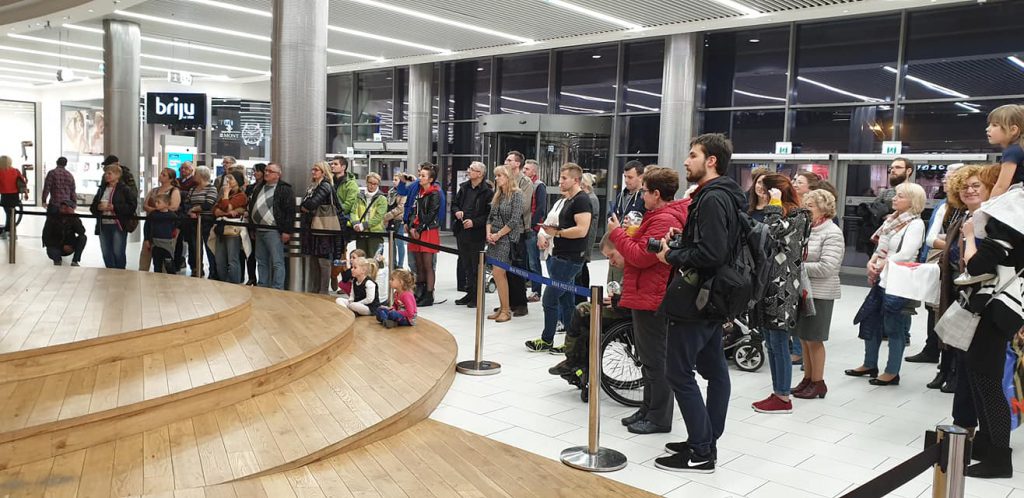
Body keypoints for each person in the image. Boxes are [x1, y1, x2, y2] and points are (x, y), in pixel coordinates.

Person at [654, 133, 746, 473]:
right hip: (716, 295)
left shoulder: (712, 198)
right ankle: (704, 439)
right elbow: (716, 244)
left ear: (711, 161)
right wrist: (684, 240)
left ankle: (702, 450)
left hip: (699, 297)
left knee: (679, 372)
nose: (686, 161)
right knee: (715, 371)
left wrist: (672, 254)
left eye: (693, 155)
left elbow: (712, 253)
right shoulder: (727, 195)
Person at [607, 166, 688, 434]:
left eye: (644, 191)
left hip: (653, 296)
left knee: (656, 361)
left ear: (656, 194)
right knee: (648, 360)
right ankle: (648, 408)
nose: (641, 196)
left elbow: (641, 257)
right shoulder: (656, 216)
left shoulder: (664, 219)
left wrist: (618, 234)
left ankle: (659, 418)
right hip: (645, 293)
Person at [954, 167, 1020, 479]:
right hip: (1000, 310)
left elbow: (978, 265)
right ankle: (987, 446)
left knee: (989, 383)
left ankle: (999, 458)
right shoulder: (1011, 217)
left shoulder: (1006, 219)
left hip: (995, 310)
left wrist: (970, 236)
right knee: (981, 378)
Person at [935, 165, 997, 452]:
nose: (969, 191)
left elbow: (980, 266)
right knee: (964, 368)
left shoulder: (994, 222)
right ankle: (963, 427)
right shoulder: (963, 218)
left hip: (987, 306)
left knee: (981, 372)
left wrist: (970, 238)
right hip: (963, 301)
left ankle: (987, 435)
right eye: (964, 187)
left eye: (976, 186)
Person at [846, 182, 927, 386]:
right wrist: (872, 262)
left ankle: (892, 371)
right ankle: (869, 364)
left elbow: (906, 253)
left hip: (899, 280)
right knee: (871, 320)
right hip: (883, 277)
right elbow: (881, 246)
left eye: (900, 196)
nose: (894, 198)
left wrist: (882, 264)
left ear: (913, 201)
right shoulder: (891, 221)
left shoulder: (915, 224)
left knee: (893, 326)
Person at [749, 175, 810, 414]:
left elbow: (773, 232)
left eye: (767, 192)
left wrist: (774, 204)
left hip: (783, 287)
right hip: (768, 284)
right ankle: (778, 392)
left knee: (779, 342)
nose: (763, 196)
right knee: (771, 342)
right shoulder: (785, 214)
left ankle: (783, 396)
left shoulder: (798, 216)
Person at [526, 163, 592, 352]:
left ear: (576, 180)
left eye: (564, 178)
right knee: (566, 301)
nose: (560, 181)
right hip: (559, 255)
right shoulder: (567, 200)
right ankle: (572, 342)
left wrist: (557, 233)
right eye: (560, 177)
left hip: (570, 258)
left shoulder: (581, 200)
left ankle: (547, 339)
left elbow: (582, 230)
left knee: (549, 299)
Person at [548, 233, 628, 382]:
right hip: (623, 306)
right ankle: (578, 362)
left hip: (629, 312)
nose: (611, 262)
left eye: (611, 256)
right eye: (608, 258)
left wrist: (618, 300)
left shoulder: (636, 263)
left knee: (583, 310)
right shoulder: (629, 265)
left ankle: (573, 361)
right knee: (584, 320)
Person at [907, 164, 965, 367]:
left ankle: (946, 357)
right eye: (946, 177)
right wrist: (950, 243)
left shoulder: (962, 208)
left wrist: (948, 243)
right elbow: (932, 239)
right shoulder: (945, 205)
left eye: (951, 177)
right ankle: (932, 350)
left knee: (945, 308)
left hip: (951, 263)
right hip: (937, 260)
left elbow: (938, 239)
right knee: (933, 307)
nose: (945, 181)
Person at [792, 189, 844, 400]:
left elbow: (827, 267)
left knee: (814, 339)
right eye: (805, 205)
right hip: (804, 290)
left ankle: (818, 382)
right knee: (804, 338)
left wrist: (797, 266)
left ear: (824, 209)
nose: (806, 209)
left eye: (810, 206)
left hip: (820, 293)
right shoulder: (808, 229)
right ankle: (807, 379)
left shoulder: (832, 232)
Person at [485, 165, 524, 323]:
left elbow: (514, 220)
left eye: (500, 175)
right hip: (494, 239)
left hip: (507, 239)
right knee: (497, 274)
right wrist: (489, 233)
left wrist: (498, 234)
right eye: (496, 175)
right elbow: (490, 218)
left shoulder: (517, 194)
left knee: (499, 273)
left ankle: (506, 310)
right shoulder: (498, 195)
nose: (496, 178)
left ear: (508, 177)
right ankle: (502, 308)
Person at [300, 161, 345, 294]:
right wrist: (305, 205)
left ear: (323, 172)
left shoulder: (325, 185)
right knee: (315, 260)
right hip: (316, 227)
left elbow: (310, 204)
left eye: (316, 170)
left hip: (324, 228)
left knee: (323, 260)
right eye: (313, 169)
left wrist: (305, 206)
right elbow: (306, 204)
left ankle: (323, 291)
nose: (313, 172)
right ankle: (316, 290)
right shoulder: (313, 186)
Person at [247, 162, 294, 290]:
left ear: (278, 175)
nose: (266, 173)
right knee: (261, 260)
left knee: (277, 261)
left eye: (270, 171)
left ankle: (277, 288)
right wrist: (252, 228)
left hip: (274, 230)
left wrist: (286, 231)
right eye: (266, 170)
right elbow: (252, 206)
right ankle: (263, 285)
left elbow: (289, 211)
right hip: (258, 229)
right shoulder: (259, 187)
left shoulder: (284, 189)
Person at [452, 162, 493, 306]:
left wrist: (474, 222)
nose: (468, 171)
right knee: (466, 265)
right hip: (462, 231)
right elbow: (454, 204)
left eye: (472, 169)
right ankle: (469, 293)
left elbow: (489, 215)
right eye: (469, 168)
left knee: (476, 266)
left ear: (480, 173)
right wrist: (457, 211)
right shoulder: (464, 187)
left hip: (477, 234)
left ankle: (477, 296)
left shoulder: (488, 192)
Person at [856, 158, 912, 254]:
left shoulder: (915, 192)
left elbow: (915, 213)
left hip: (905, 239)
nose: (893, 170)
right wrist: (883, 216)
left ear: (908, 171)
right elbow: (874, 211)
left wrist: (895, 216)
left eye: (898, 167)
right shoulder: (886, 193)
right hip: (883, 237)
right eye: (891, 168)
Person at [89, 163, 138, 269]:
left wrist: (114, 207)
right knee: (106, 252)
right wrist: (98, 208)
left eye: (109, 173)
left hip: (118, 225)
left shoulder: (125, 189)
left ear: (117, 175)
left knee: (118, 251)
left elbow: (132, 206)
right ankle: (109, 271)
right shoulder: (101, 189)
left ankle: (120, 273)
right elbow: (93, 207)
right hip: (103, 225)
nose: (106, 175)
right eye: (105, 173)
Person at [504, 151, 535, 317]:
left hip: (519, 229)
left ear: (517, 164)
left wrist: (505, 209)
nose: (506, 162)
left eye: (509, 160)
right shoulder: (504, 178)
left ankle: (521, 304)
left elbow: (523, 205)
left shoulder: (525, 182)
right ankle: (508, 302)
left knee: (518, 268)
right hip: (503, 229)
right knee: (506, 268)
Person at [409, 163, 442, 307]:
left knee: (428, 265)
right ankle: (420, 292)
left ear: (430, 179)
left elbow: (431, 214)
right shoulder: (419, 192)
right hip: (416, 230)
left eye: (423, 176)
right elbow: (413, 211)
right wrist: (412, 227)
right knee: (419, 264)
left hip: (428, 231)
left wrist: (419, 229)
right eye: (420, 175)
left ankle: (429, 295)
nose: (420, 178)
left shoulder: (434, 193)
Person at [140, 168, 182, 272]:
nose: (160, 176)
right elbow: (145, 205)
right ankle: (142, 273)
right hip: (152, 227)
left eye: (164, 175)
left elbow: (173, 207)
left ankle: (164, 275)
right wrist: (155, 210)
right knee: (146, 254)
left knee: (165, 258)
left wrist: (156, 210)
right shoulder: (154, 190)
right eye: (161, 174)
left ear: (170, 178)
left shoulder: (174, 191)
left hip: (166, 232)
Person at [212, 170, 248, 284]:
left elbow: (227, 207)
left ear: (238, 181)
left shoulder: (241, 196)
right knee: (219, 259)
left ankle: (234, 283)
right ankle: (223, 281)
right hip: (221, 228)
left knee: (232, 259)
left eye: (231, 179)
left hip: (233, 230)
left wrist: (226, 197)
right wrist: (225, 212)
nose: (228, 181)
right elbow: (215, 209)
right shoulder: (226, 194)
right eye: (227, 178)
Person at [183, 166, 218, 278]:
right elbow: (187, 202)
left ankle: (213, 271)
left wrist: (194, 209)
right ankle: (197, 268)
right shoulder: (193, 189)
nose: (194, 176)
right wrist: (190, 212)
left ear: (201, 175)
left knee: (209, 247)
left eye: (196, 174)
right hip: (193, 221)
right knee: (194, 247)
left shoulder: (211, 188)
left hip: (207, 222)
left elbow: (208, 204)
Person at [574, 172, 601, 305]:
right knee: (582, 269)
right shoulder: (586, 197)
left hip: (586, 239)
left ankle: (582, 300)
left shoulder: (591, 199)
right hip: (583, 239)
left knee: (581, 271)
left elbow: (591, 225)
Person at [985, 104, 1024, 198]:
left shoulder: (1012, 151)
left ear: (1013, 130)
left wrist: (990, 204)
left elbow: (1001, 186)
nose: (988, 129)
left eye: (994, 125)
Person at [523, 159, 547, 302]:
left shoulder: (539, 186)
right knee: (524, 260)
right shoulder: (524, 184)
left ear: (534, 171)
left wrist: (531, 225)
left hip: (532, 229)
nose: (524, 170)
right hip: (523, 228)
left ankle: (536, 291)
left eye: (527, 169)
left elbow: (541, 209)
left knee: (533, 262)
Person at [353, 172, 387, 259]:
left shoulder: (382, 198)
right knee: (361, 260)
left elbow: (378, 217)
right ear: (366, 182)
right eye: (370, 183)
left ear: (378, 184)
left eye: (375, 184)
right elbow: (353, 211)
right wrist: (356, 223)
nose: (372, 185)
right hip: (361, 234)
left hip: (375, 234)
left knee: (374, 260)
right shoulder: (359, 196)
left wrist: (363, 225)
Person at [42, 201, 86, 266]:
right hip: (56, 246)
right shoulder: (52, 218)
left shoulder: (73, 218)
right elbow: (46, 237)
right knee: (53, 251)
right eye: (61, 208)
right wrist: (62, 246)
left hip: (70, 245)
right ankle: (57, 261)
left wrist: (74, 217)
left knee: (83, 238)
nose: (63, 210)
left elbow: (81, 231)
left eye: (65, 208)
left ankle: (75, 261)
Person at [243, 163, 266, 286]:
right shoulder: (250, 188)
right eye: (254, 171)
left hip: (261, 222)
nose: (255, 173)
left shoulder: (266, 187)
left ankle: (263, 280)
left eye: (257, 171)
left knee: (261, 254)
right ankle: (251, 276)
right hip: (248, 221)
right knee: (249, 251)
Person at [148, 194, 180, 274]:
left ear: (166, 204)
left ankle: (171, 277)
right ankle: (157, 278)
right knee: (157, 264)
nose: (156, 204)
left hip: (167, 242)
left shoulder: (172, 215)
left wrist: (174, 233)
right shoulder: (153, 214)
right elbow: (147, 227)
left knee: (169, 263)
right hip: (155, 242)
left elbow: (177, 225)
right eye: (155, 202)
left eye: (158, 202)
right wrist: (147, 239)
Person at [385, 174, 411, 269]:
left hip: (399, 220)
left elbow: (401, 208)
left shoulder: (404, 192)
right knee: (391, 243)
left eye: (396, 180)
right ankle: (393, 263)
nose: (393, 181)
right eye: (393, 179)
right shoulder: (391, 191)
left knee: (399, 243)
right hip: (390, 220)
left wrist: (386, 216)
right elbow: (387, 205)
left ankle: (400, 265)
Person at [175, 161, 197, 269]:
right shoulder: (177, 181)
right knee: (177, 240)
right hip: (177, 215)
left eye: (186, 168)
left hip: (189, 216)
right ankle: (177, 262)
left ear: (191, 170)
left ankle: (194, 266)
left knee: (192, 242)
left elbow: (190, 196)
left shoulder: (194, 182)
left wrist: (179, 192)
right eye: (181, 168)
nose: (183, 170)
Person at [331, 156, 360, 227]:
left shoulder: (351, 184)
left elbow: (349, 204)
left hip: (343, 219)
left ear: (343, 167)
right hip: (330, 216)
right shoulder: (330, 181)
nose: (332, 166)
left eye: (335, 164)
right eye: (331, 164)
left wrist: (334, 212)